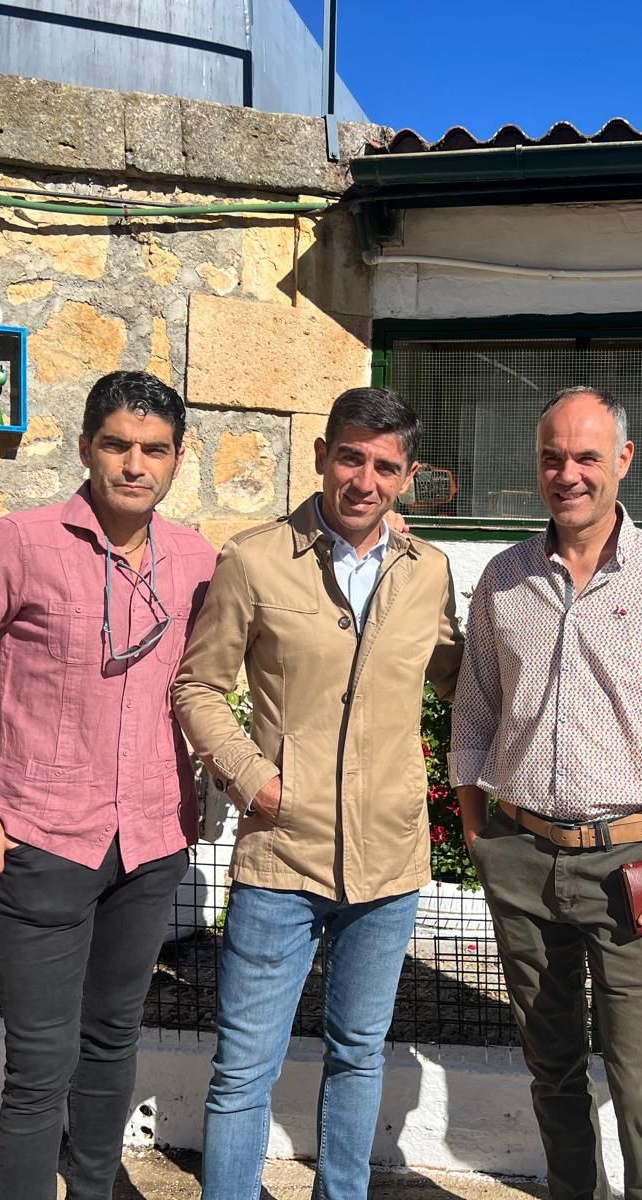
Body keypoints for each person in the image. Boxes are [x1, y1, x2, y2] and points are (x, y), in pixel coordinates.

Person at [0, 371, 215, 1200]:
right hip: (42, 843)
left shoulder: (199, 562)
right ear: (85, 448)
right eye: (117, 445)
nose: (134, 465)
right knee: (39, 1064)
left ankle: (95, 1189)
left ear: (177, 461)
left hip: (152, 843)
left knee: (113, 1042)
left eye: (154, 450)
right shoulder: (20, 544)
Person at [173, 386, 464, 1200]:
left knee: (359, 1053)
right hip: (280, 853)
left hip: (388, 860)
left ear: (405, 477)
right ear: (321, 456)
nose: (363, 480)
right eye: (350, 458)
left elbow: (462, 680)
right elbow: (199, 686)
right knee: (242, 1069)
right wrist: (253, 777)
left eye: (384, 466)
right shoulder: (255, 560)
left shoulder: (428, 572)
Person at [450, 386, 642, 1200]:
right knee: (552, 1074)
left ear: (623, 460)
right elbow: (473, 713)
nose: (567, 474)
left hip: (633, 868)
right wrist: (481, 836)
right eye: (552, 457)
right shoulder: (504, 578)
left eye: (585, 456)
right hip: (521, 855)